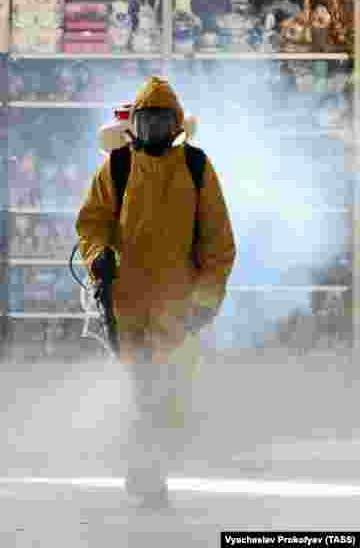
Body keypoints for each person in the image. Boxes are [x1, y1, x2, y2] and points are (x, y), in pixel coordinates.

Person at [76, 76, 236, 508]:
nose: (154, 132)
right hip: (125, 300)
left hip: (176, 303)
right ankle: (145, 469)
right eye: (146, 122)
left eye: (162, 122)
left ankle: (150, 467)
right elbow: (92, 223)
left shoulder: (197, 168)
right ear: (134, 126)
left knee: (166, 389)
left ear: (177, 124)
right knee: (136, 387)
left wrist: (205, 301)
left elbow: (217, 244)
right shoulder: (117, 167)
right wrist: (99, 257)